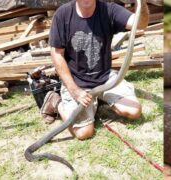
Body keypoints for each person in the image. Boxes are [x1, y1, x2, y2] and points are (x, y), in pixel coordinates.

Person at [41, 0, 149, 140]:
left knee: (134, 111)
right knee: (84, 133)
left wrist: (142, 3)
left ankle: (99, 101)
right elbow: (57, 54)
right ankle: (55, 102)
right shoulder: (63, 15)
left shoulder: (109, 10)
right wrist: (74, 90)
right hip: (77, 82)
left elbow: (140, 24)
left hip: (105, 79)